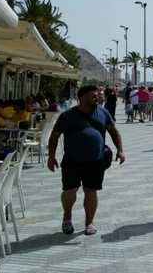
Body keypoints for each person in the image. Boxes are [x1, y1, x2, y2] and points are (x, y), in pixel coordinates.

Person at [47, 85, 125, 236]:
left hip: (96, 160)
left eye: (98, 96)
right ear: (83, 98)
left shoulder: (103, 112)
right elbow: (54, 136)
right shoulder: (67, 116)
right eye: (94, 96)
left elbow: (114, 132)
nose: (98, 98)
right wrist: (51, 157)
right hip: (72, 160)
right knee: (70, 190)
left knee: (91, 190)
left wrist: (120, 150)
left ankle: (89, 221)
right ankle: (67, 216)